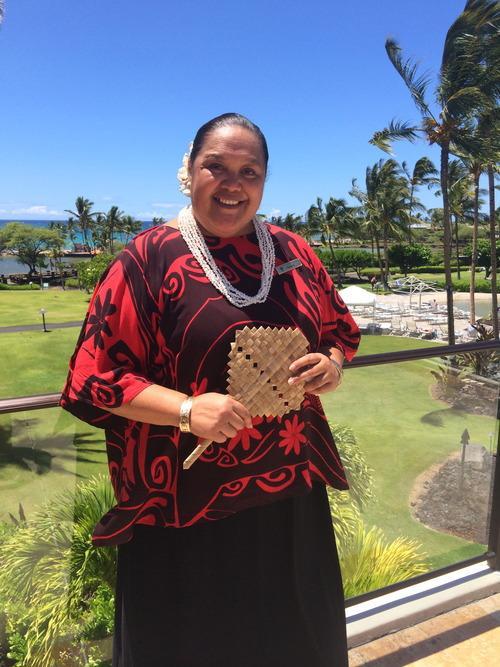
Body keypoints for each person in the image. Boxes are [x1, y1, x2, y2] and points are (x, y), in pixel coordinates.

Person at [61, 113, 360, 667]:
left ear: (264, 181)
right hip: (184, 508)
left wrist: (332, 364)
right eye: (215, 167)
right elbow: (93, 378)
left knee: (296, 645)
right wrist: (185, 409)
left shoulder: (296, 253)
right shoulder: (145, 260)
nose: (233, 183)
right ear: (189, 172)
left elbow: (342, 331)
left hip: (290, 500)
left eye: (250, 171)